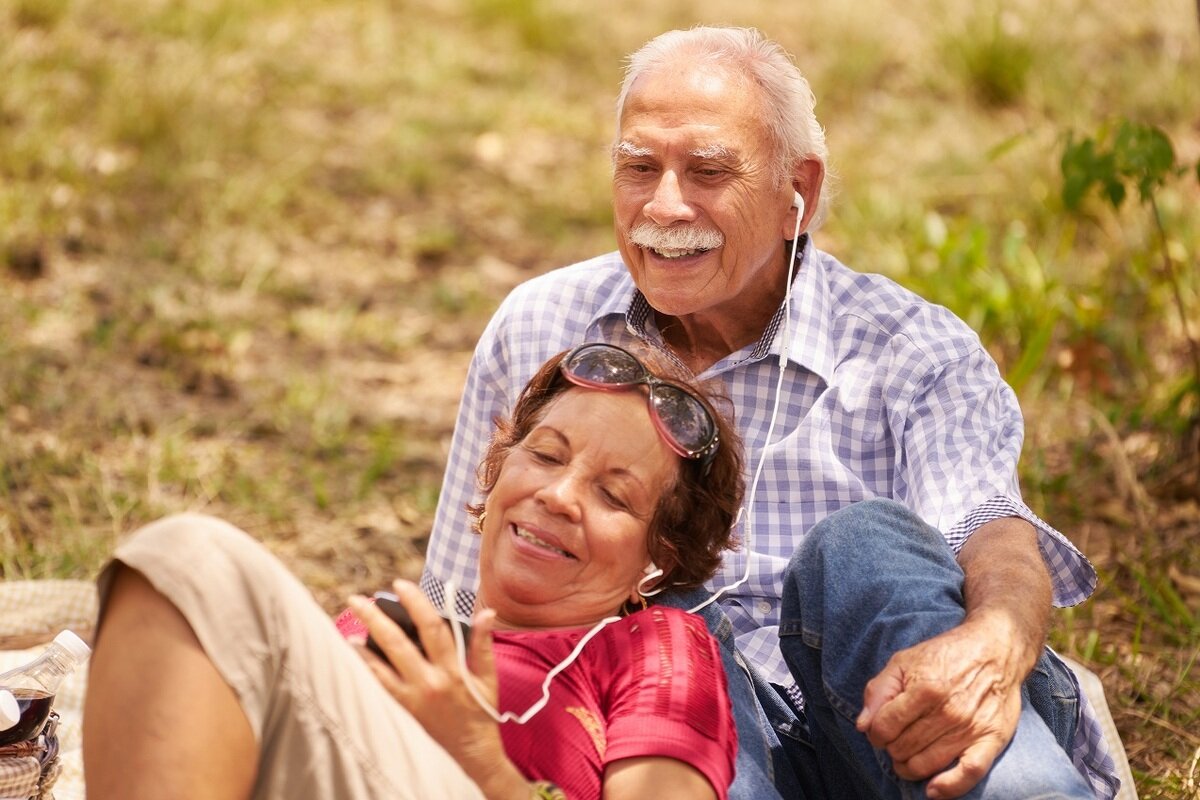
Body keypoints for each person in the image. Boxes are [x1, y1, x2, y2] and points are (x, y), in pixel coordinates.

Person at [420, 25, 1120, 800]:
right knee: (674, 627)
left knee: (862, 546)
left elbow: (990, 528)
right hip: (684, 741)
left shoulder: (909, 348)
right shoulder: (542, 323)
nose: (665, 204)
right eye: (639, 168)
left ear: (801, 196)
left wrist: (995, 641)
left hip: (905, 715)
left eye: (709, 171)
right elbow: (465, 586)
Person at [82, 343, 750, 800]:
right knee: (170, 586)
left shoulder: (655, 648)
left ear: (659, 559)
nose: (559, 495)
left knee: (194, 560)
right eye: (545, 456)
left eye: (613, 495)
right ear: (496, 474)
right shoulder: (390, 618)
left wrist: (479, 756)